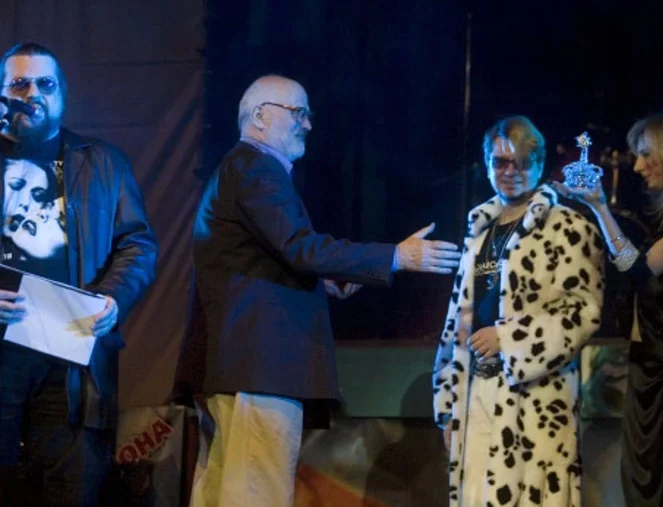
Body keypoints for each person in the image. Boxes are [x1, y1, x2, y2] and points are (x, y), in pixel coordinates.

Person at [185, 74, 461, 507]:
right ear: (260, 116)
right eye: (298, 113)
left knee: (224, 494)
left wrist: (323, 279)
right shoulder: (257, 166)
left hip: (237, 370)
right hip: (259, 372)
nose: (309, 124)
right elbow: (300, 246)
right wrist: (396, 256)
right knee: (257, 495)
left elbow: (260, 256)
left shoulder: (239, 169)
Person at [0, 42, 157, 506]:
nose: (33, 93)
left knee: (68, 490)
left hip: (69, 358)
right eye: (19, 84)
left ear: (63, 95)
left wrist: (113, 299)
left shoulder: (103, 163)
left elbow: (137, 246)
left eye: (45, 84)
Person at [433, 116, 605, 506]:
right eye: (500, 162)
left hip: (535, 400)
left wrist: (510, 339)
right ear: (487, 164)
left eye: (521, 162)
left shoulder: (568, 227)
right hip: (477, 391)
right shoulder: (479, 231)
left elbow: (583, 311)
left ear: (539, 164)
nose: (510, 171)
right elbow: (456, 323)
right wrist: (448, 408)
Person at [553, 101, 663, 506]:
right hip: (649, 369)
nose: (638, 166)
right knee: (643, 490)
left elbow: (640, 269)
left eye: (646, 154)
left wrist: (600, 208)